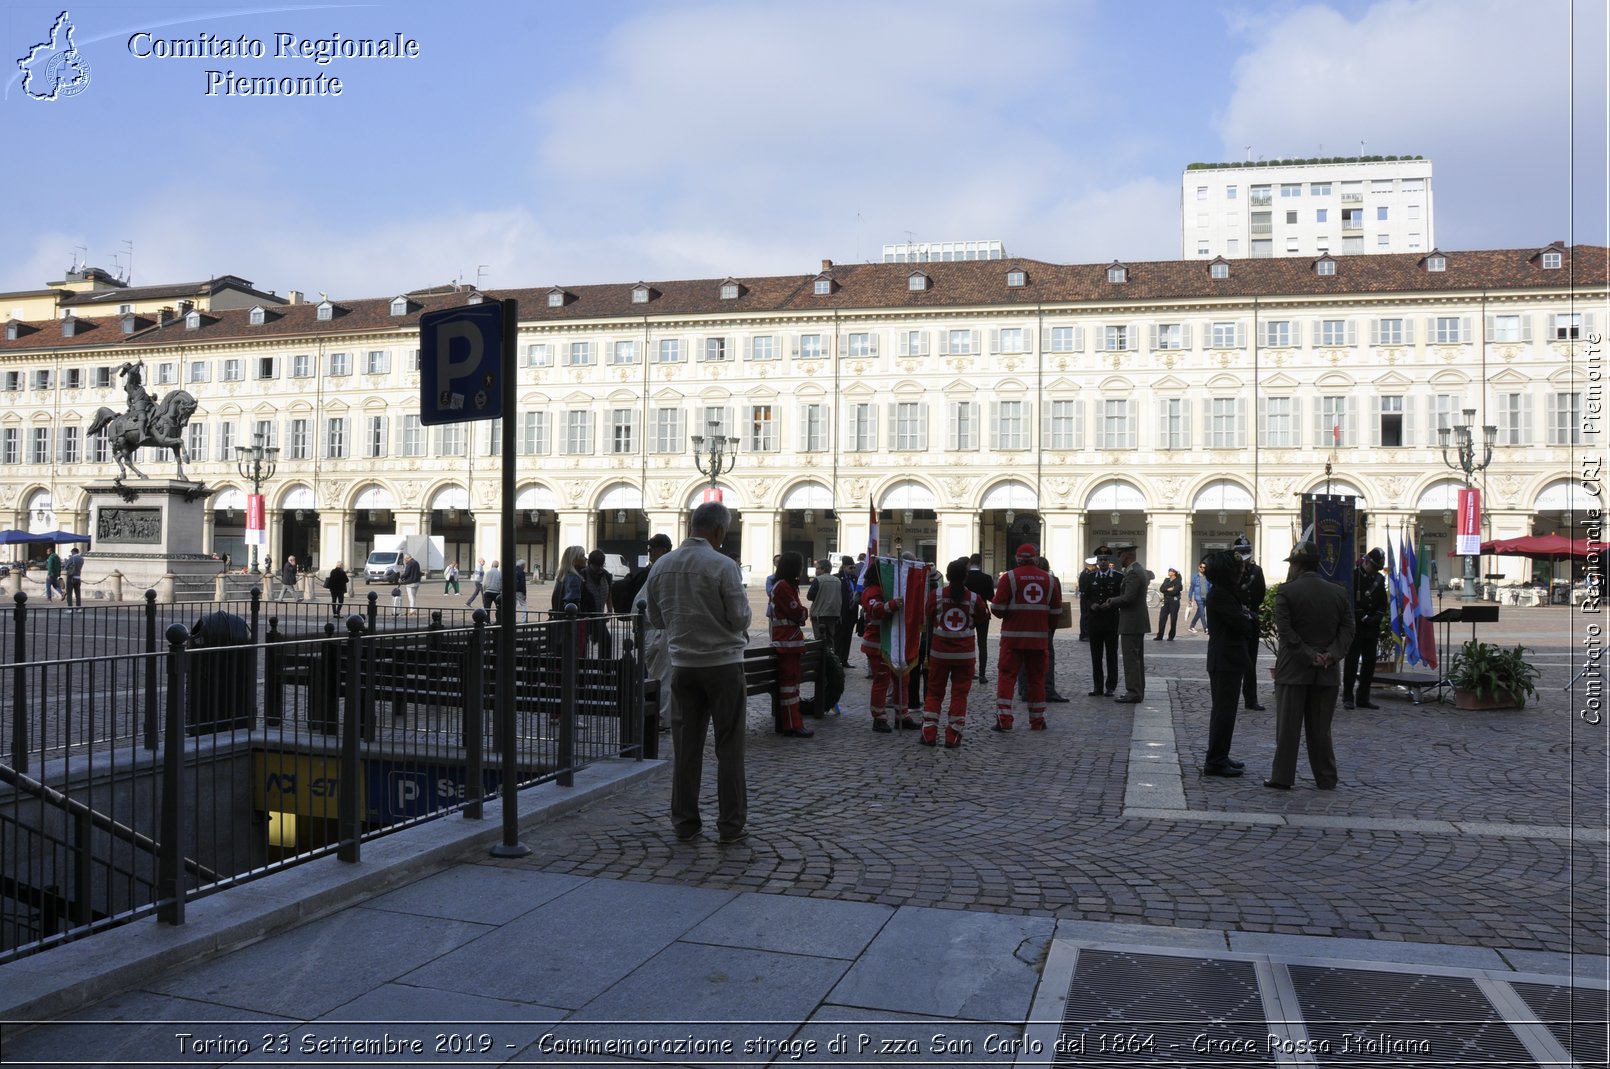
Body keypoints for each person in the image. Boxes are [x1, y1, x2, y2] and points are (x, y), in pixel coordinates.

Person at [645, 501, 752, 845]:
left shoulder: (662, 565)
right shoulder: (723, 565)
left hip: (683, 666)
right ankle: (730, 825)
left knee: (686, 748)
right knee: (729, 747)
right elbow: (739, 617)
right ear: (720, 531)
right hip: (723, 665)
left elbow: (657, 619)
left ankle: (685, 822)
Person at [1265, 541, 1355, 791]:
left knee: (1287, 730)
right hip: (1327, 671)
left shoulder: (1287, 592)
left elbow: (1286, 632)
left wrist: (1308, 655)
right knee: (1321, 731)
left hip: (1294, 670)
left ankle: (1283, 777)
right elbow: (1348, 629)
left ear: (1295, 565)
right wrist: (1330, 655)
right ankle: (1326, 777)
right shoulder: (1338, 592)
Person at [921, 557, 989, 748]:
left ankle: (929, 733)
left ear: (948, 576)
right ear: (965, 577)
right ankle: (953, 735)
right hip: (964, 654)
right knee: (959, 695)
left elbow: (928, 614)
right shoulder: (975, 598)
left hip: (940, 652)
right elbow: (983, 617)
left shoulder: (936, 595)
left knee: (934, 693)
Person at [990, 543, 1059, 731]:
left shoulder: (1009, 578)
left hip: (1012, 639)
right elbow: (1056, 613)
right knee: (1037, 678)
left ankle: (1004, 720)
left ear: (1017, 558)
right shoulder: (1050, 580)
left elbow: (996, 609)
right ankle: (1037, 721)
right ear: (1036, 558)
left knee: (1007, 677)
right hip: (1038, 639)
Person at [1202, 550, 1254, 777]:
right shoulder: (1221, 594)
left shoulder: (1225, 592)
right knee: (1223, 712)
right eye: (1237, 569)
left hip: (1228, 658)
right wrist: (1249, 619)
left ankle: (1221, 754)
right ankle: (1215, 760)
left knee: (1226, 712)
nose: (1241, 572)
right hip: (1225, 659)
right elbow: (1241, 623)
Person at [768, 551, 813, 738]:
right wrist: (803, 614)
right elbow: (799, 614)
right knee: (789, 685)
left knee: (793, 684)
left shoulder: (785, 585)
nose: (802, 569)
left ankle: (794, 722)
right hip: (786, 642)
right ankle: (791, 723)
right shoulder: (783, 587)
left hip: (790, 641)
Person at [1104, 542, 1153, 703]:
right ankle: (1138, 690)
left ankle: (1133, 692)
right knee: (1137, 658)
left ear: (1127, 555)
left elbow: (1128, 598)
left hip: (1131, 621)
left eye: (1120, 555)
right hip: (1137, 621)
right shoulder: (1140, 570)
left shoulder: (1133, 572)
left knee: (1131, 659)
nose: (1119, 558)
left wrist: (1112, 601)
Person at [1342, 547, 1389, 710]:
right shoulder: (1354, 576)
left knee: (1369, 663)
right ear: (1366, 562)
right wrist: (1362, 616)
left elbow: (1383, 602)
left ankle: (1363, 697)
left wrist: (1377, 616)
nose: (1375, 571)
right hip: (1357, 626)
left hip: (1371, 628)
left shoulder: (1379, 579)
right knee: (1352, 662)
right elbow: (1349, 600)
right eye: (1374, 567)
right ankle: (1348, 697)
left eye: (1378, 568)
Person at [1234, 535, 1269, 711]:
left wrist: (1252, 610)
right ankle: (1232, 698)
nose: (1244, 556)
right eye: (1241, 552)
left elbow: (1260, 592)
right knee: (1234, 661)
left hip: (1251, 620)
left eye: (1246, 552)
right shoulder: (1232, 572)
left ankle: (1251, 699)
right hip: (1236, 620)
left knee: (1251, 661)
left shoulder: (1256, 571)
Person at [1082, 548, 1122, 696]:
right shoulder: (1090, 577)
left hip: (1111, 620)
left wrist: (1111, 604)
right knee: (1096, 655)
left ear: (1109, 561)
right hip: (1095, 620)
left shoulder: (1118, 577)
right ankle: (1097, 686)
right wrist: (1091, 605)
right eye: (1100, 559)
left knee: (1112, 655)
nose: (1103, 562)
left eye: (1105, 559)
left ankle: (1110, 686)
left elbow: (1122, 597)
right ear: (1097, 562)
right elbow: (1085, 596)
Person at [963, 554, 996, 682]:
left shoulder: (965, 578)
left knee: (967, 644)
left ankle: (969, 671)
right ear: (981, 563)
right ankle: (982, 674)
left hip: (967, 613)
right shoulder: (987, 578)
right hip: (982, 613)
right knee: (983, 644)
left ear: (970, 563)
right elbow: (991, 597)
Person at [805, 556, 843, 658]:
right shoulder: (838, 580)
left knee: (819, 640)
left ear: (823, 569)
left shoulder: (818, 580)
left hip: (819, 614)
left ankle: (821, 664)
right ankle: (831, 661)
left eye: (817, 568)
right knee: (831, 640)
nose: (816, 570)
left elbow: (810, 596)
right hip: (833, 614)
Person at [582, 550, 615, 657]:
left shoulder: (606, 576)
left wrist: (610, 610)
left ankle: (605, 669)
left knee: (607, 641)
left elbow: (609, 594)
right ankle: (580, 667)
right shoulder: (582, 575)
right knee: (582, 643)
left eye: (602, 565)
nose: (600, 569)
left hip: (599, 618)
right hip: (584, 617)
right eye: (596, 566)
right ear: (589, 563)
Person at [832, 556, 858, 668]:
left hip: (851, 612)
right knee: (838, 638)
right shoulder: (837, 578)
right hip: (841, 612)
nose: (852, 569)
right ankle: (837, 660)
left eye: (854, 567)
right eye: (850, 567)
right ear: (844, 567)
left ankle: (844, 660)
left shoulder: (855, 579)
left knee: (848, 638)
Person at [1155, 568, 1183, 640]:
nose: (1169, 572)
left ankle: (1171, 636)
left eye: (1170, 571)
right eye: (1169, 570)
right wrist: (1168, 589)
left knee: (1173, 619)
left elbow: (1175, 592)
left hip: (1174, 602)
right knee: (1162, 618)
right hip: (1166, 601)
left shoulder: (1178, 581)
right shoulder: (1166, 580)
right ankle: (1160, 635)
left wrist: (1167, 590)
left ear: (1174, 573)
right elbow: (1161, 589)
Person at [1187, 561, 1210, 635]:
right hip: (1198, 598)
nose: (1202, 568)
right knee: (1202, 613)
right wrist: (1190, 598)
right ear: (1198, 567)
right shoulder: (1195, 577)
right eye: (1201, 567)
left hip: (1206, 598)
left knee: (1199, 613)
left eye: (1204, 567)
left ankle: (1191, 626)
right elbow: (1191, 589)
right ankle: (1205, 628)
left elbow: (1210, 587)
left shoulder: (1208, 577)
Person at [62, 547, 84, 611]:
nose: (71, 553)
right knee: (78, 594)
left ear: (73, 552)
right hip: (78, 577)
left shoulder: (72, 558)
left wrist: (66, 562)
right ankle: (78, 608)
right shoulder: (81, 559)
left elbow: (66, 567)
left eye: (71, 552)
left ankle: (70, 608)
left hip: (71, 577)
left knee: (69, 593)